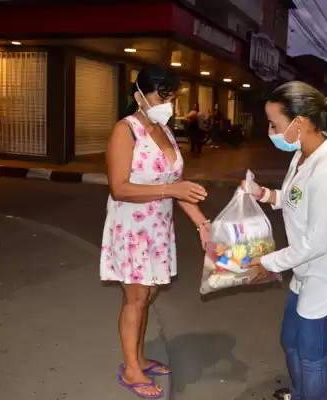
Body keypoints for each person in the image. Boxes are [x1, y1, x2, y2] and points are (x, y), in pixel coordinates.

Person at [241, 81, 327, 400]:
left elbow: (316, 243)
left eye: (274, 123)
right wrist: (263, 194)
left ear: (299, 123)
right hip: (308, 269)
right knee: (290, 341)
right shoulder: (304, 155)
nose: (270, 130)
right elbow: (295, 198)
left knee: (311, 356)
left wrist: (266, 262)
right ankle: (298, 394)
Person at [101, 64, 211, 399]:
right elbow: (119, 188)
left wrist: (202, 224)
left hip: (158, 229)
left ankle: (139, 357)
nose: (170, 103)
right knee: (135, 298)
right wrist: (172, 192)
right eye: (163, 96)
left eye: (173, 97)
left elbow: (175, 185)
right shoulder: (126, 130)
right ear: (139, 96)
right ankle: (131, 370)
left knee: (147, 296)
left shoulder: (164, 130)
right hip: (132, 227)